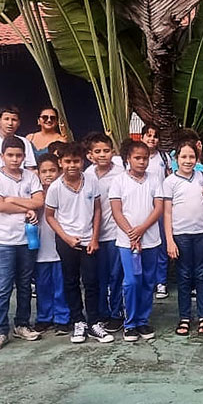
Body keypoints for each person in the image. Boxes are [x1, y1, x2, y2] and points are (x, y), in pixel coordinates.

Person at [45, 142, 112, 344]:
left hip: (88, 240)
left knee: (92, 281)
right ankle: (78, 321)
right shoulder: (55, 187)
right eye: (67, 161)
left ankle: (94, 322)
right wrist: (66, 237)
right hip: (67, 241)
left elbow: (98, 210)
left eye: (76, 161)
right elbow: (49, 216)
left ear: (82, 161)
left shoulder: (91, 181)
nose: (72, 165)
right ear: (60, 162)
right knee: (70, 281)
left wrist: (94, 238)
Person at [0, 136, 45, 350]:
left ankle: (22, 324)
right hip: (4, 241)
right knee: (2, 287)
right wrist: (26, 209)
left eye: (19, 155)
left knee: (25, 284)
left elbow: (39, 201)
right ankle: (1, 330)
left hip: (26, 239)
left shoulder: (30, 176)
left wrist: (12, 200)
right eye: (10, 155)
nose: (15, 159)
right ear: (2, 156)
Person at [110, 140, 164, 343]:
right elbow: (116, 210)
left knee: (148, 281)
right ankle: (130, 323)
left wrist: (141, 229)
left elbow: (158, 208)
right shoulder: (119, 181)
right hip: (127, 242)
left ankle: (143, 320)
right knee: (132, 282)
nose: (142, 162)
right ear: (128, 159)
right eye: (137, 158)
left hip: (151, 240)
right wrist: (131, 233)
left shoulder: (154, 180)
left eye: (145, 158)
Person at [162, 140, 203, 337]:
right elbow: (167, 213)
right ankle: (184, 317)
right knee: (183, 276)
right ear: (176, 159)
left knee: (201, 275)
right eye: (184, 156)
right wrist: (170, 240)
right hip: (181, 235)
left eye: (192, 156)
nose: (188, 160)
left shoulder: (201, 176)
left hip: (202, 232)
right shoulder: (170, 182)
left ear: (197, 158)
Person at [84, 133, 124, 333]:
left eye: (106, 151)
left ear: (112, 152)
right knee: (98, 277)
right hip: (94, 236)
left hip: (117, 233)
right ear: (90, 154)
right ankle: (102, 313)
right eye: (97, 151)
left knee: (116, 275)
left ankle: (117, 313)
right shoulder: (86, 174)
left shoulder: (121, 173)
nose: (102, 155)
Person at [32, 154, 70, 335]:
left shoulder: (64, 190)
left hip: (61, 244)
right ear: (38, 173)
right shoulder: (33, 194)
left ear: (59, 170)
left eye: (52, 170)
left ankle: (62, 317)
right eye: (44, 171)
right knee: (42, 284)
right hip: (40, 246)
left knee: (61, 283)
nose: (48, 175)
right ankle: (44, 317)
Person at [142, 124, 171, 300]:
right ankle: (147, 280)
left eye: (155, 136)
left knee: (160, 245)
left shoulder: (164, 157)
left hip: (159, 208)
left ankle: (161, 281)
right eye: (148, 135)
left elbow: (169, 178)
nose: (152, 139)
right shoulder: (132, 157)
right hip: (140, 208)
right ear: (142, 137)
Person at [0, 105, 36, 177]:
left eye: (14, 120)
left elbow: (30, 169)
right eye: (6, 119)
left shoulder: (25, 142)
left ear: (18, 123)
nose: (10, 123)